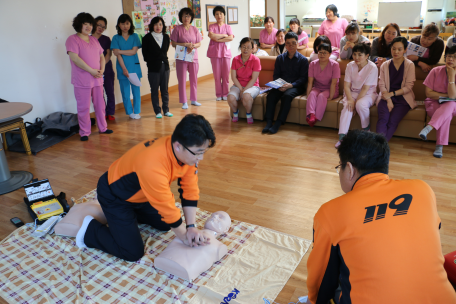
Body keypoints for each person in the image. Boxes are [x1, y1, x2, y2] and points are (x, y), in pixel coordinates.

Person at [306, 129, 456, 304]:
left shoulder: (330, 212)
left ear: (350, 170)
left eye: (340, 167)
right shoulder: (422, 190)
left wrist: (312, 300)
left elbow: (322, 278)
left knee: (339, 273)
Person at [76, 114, 216, 262]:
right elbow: (166, 205)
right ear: (178, 146)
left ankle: (127, 219)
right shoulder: (153, 164)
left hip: (142, 194)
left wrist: (191, 226)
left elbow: (189, 189)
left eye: (203, 151)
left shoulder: (186, 153)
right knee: (132, 253)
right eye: (198, 152)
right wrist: (184, 237)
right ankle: (90, 230)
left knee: (165, 225)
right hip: (116, 196)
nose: (201, 158)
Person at [65, 12, 112, 142]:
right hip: (82, 80)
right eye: (85, 24)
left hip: (97, 78)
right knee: (84, 107)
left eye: (90, 24)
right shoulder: (72, 39)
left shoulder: (94, 40)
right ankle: (84, 132)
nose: (88, 27)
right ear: (79, 25)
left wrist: (101, 70)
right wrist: (91, 70)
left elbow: (102, 56)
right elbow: (74, 58)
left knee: (100, 105)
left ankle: (103, 127)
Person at [154, 211, 231, 281]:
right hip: (162, 259)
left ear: (226, 229)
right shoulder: (185, 231)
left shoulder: (220, 246)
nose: (214, 217)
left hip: (185, 271)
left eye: (220, 217)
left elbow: (190, 198)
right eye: (212, 215)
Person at [263, 32, 308, 134]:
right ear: (285, 44)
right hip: (281, 85)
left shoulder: (303, 60)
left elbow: (303, 78)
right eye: (288, 43)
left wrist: (291, 85)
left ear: (297, 44)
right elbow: (276, 75)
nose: (291, 45)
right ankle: (269, 122)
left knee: (287, 96)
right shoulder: (280, 58)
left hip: (296, 86)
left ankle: (278, 123)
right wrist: (279, 85)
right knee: (271, 96)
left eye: (293, 43)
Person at [336, 43, 378, 148]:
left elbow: (365, 89)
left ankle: (366, 132)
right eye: (354, 54)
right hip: (352, 92)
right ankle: (342, 138)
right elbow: (346, 85)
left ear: (367, 55)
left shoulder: (372, 67)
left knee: (360, 105)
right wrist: (350, 100)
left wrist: (354, 103)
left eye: (360, 54)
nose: (356, 57)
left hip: (368, 93)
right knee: (347, 106)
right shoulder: (350, 65)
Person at [419, 46, 456, 158]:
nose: (451, 59)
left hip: (452, 105)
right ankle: (439, 146)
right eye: (449, 56)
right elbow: (429, 93)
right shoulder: (435, 71)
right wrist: (447, 96)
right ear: (445, 58)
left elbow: (453, 96)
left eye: (455, 57)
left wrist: (451, 77)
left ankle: (429, 128)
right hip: (433, 103)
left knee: (450, 104)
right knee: (446, 114)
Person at [376, 37, 416, 141]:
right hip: (386, 96)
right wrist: (388, 99)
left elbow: (408, 87)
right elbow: (382, 84)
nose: (396, 52)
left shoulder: (410, 65)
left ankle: (379, 147)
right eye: (393, 48)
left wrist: (392, 94)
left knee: (392, 121)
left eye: (399, 49)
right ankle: (379, 147)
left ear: (405, 50)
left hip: (403, 99)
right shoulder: (385, 65)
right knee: (383, 119)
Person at [111, 14, 143, 119]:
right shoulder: (115, 38)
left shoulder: (135, 36)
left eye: (127, 23)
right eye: (123, 23)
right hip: (122, 69)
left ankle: (137, 111)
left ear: (131, 24)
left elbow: (133, 51)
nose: (125, 26)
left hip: (134, 68)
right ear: (119, 25)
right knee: (125, 92)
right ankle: (130, 112)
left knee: (136, 91)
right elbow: (118, 56)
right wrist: (124, 69)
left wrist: (119, 51)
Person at [171, 8, 203, 109]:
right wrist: (184, 44)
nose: (186, 18)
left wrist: (193, 46)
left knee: (194, 79)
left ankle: (194, 99)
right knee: (182, 79)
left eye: (188, 16)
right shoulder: (177, 29)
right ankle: (184, 101)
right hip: (181, 58)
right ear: (181, 17)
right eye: (184, 16)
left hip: (193, 57)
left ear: (191, 17)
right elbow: (173, 43)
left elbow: (199, 43)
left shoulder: (195, 29)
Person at [142, 16, 173, 119]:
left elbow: (164, 51)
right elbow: (145, 56)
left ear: (163, 26)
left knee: (165, 90)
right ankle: (157, 111)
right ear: (152, 26)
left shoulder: (166, 37)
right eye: (155, 24)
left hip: (165, 67)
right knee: (154, 90)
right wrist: (156, 59)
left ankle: (166, 110)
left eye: (160, 24)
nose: (158, 26)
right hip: (153, 68)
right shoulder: (147, 38)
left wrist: (160, 58)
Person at [228, 38, 261, 124]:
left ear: (252, 49)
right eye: (243, 47)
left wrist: (244, 90)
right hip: (238, 85)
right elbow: (233, 77)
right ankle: (235, 113)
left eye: (248, 47)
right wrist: (241, 89)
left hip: (253, 86)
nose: (245, 49)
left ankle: (248, 114)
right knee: (230, 97)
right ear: (240, 47)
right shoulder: (235, 59)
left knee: (246, 96)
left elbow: (254, 79)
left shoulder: (256, 60)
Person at [306, 43, 340, 127]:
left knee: (321, 96)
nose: (322, 54)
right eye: (320, 52)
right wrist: (308, 95)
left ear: (329, 54)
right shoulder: (312, 64)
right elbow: (310, 82)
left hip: (331, 89)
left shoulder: (335, 65)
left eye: (325, 52)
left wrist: (331, 97)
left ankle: (316, 118)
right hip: (317, 87)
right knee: (312, 93)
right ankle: (311, 115)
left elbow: (333, 83)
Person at [207, 6, 234, 101]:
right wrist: (224, 35)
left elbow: (231, 38)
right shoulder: (211, 26)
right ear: (214, 16)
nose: (219, 16)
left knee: (226, 75)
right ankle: (219, 94)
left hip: (226, 53)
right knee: (217, 75)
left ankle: (225, 93)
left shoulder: (228, 27)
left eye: (221, 13)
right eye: (217, 14)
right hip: (214, 54)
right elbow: (212, 36)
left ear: (224, 15)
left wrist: (217, 38)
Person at [92, 16, 116, 121]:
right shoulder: (88, 39)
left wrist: (102, 67)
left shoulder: (106, 39)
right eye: (99, 25)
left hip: (107, 69)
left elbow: (108, 54)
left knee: (109, 92)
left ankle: (110, 113)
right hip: (94, 71)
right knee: (99, 95)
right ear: (94, 24)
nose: (101, 28)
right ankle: (102, 113)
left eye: (103, 27)